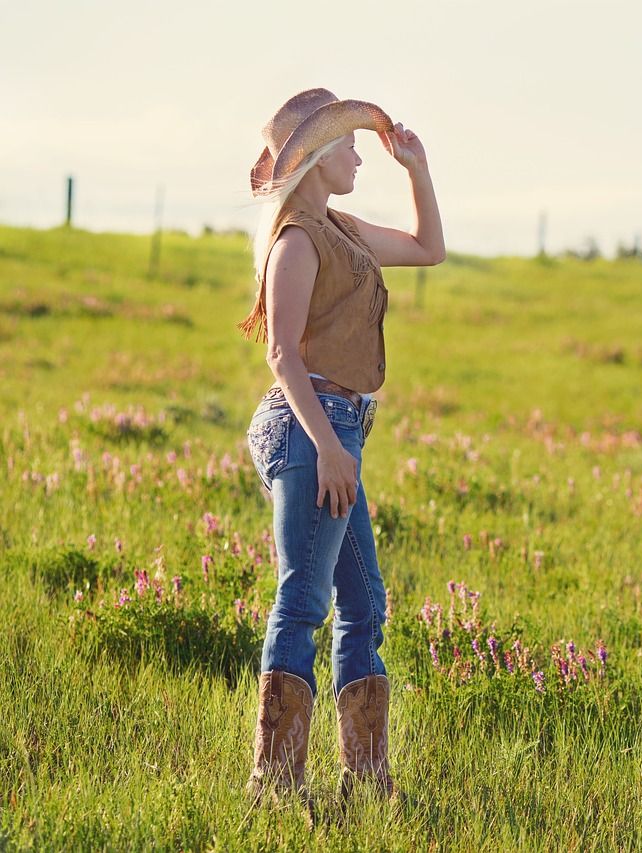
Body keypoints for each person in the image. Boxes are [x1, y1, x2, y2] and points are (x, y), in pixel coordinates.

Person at [235, 88, 444, 812]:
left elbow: (428, 249)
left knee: (363, 601)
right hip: (310, 425)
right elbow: (281, 355)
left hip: (338, 427)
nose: (361, 153)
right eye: (351, 144)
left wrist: (416, 168)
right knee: (303, 599)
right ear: (320, 158)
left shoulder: (341, 227)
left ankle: (367, 780)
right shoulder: (295, 239)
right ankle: (277, 784)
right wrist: (328, 448)